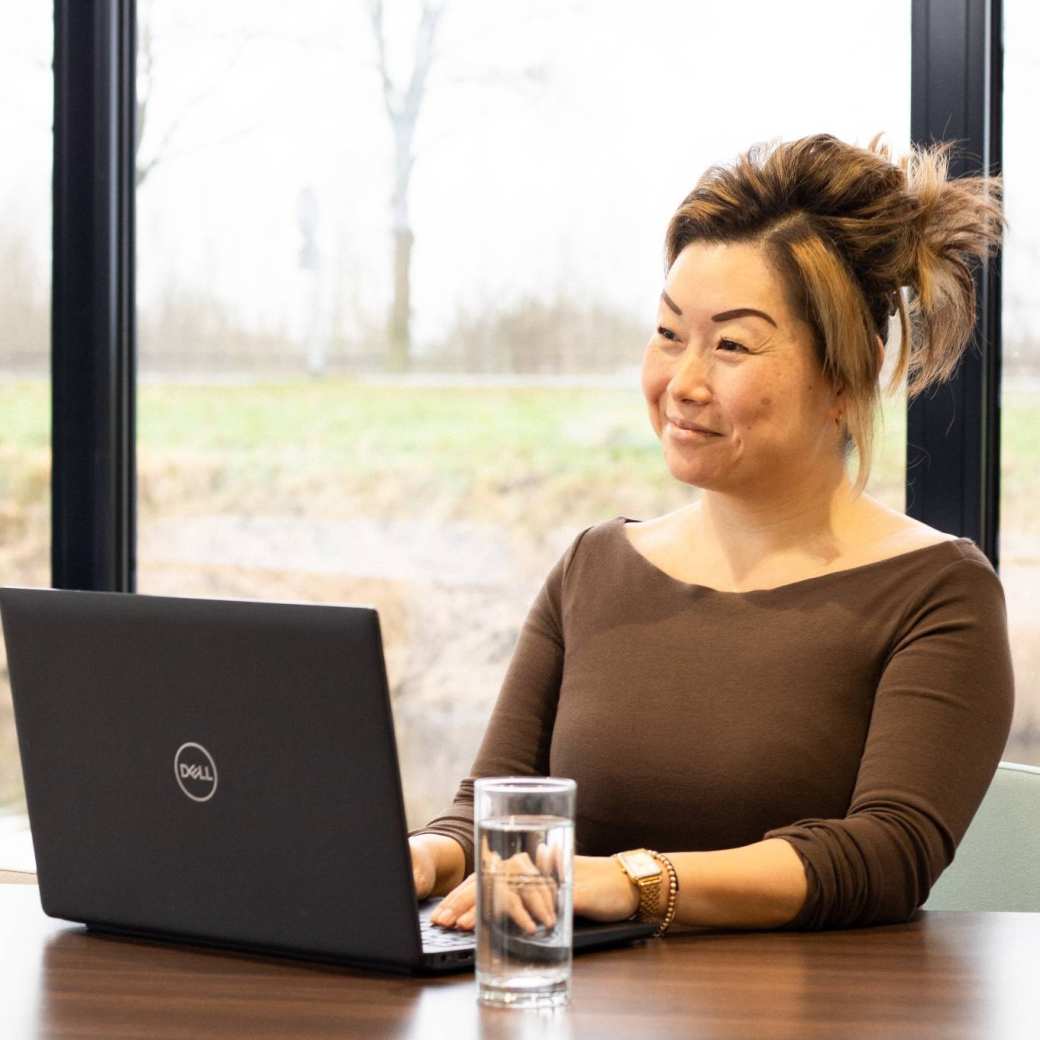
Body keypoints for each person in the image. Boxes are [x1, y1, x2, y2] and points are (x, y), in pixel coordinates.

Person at [407, 133, 1014, 934]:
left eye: (731, 344)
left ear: (847, 375)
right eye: (668, 335)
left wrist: (638, 882)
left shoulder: (937, 592)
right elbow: (488, 814)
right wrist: (421, 854)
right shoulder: (595, 567)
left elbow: (885, 854)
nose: (682, 383)